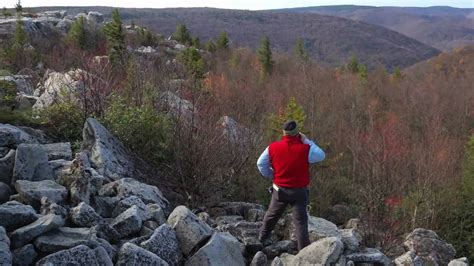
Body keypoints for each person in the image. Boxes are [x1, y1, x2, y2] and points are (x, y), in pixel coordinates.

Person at [257, 120, 325, 251]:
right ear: (297, 133)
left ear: (284, 133)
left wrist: (272, 175)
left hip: (279, 190)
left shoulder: (272, 147)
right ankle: (303, 251)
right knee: (300, 223)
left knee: (272, 215)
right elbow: (321, 155)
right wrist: (307, 140)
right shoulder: (306, 149)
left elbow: (260, 164)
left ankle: (262, 238)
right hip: (299, 192)